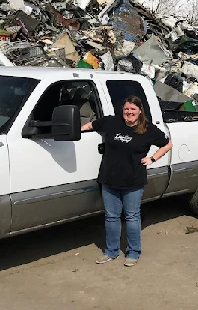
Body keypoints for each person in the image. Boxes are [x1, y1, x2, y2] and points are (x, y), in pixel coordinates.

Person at [81, 95, 173, 267]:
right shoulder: (111, 122)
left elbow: (167, 144)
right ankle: (111, 251)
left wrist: (152, 159)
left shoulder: (148, 129)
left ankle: (133, 252)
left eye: (133, 109)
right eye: (126, 109)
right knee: (111, 217)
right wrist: (79, 131)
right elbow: (90, 125)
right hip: (109, 179)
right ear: (122, 110)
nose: (129, 112)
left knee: (131, 216)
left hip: (133, 180)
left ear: (139, 111)